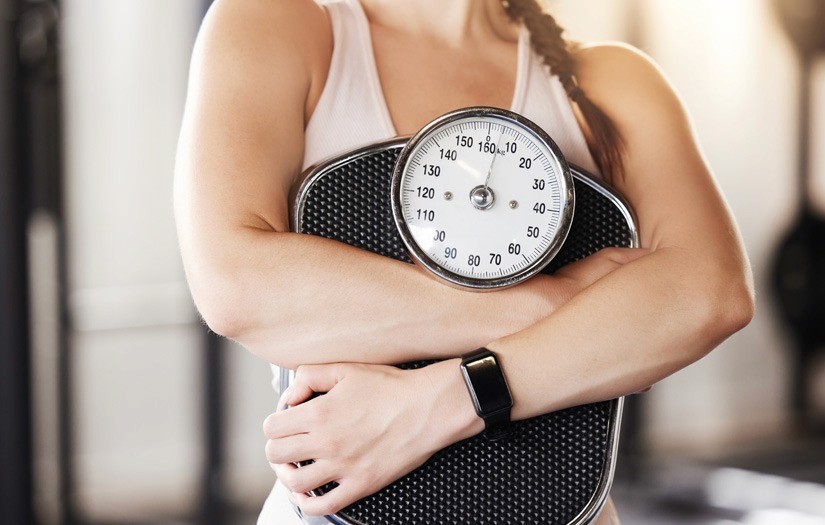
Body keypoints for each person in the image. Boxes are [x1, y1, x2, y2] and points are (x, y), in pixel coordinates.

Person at [173, 0, 755, 523]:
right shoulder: (284, 24)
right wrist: (565, 305)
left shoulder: (610, 82)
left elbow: (711, 294)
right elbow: (236, 284)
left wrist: (443, 402)